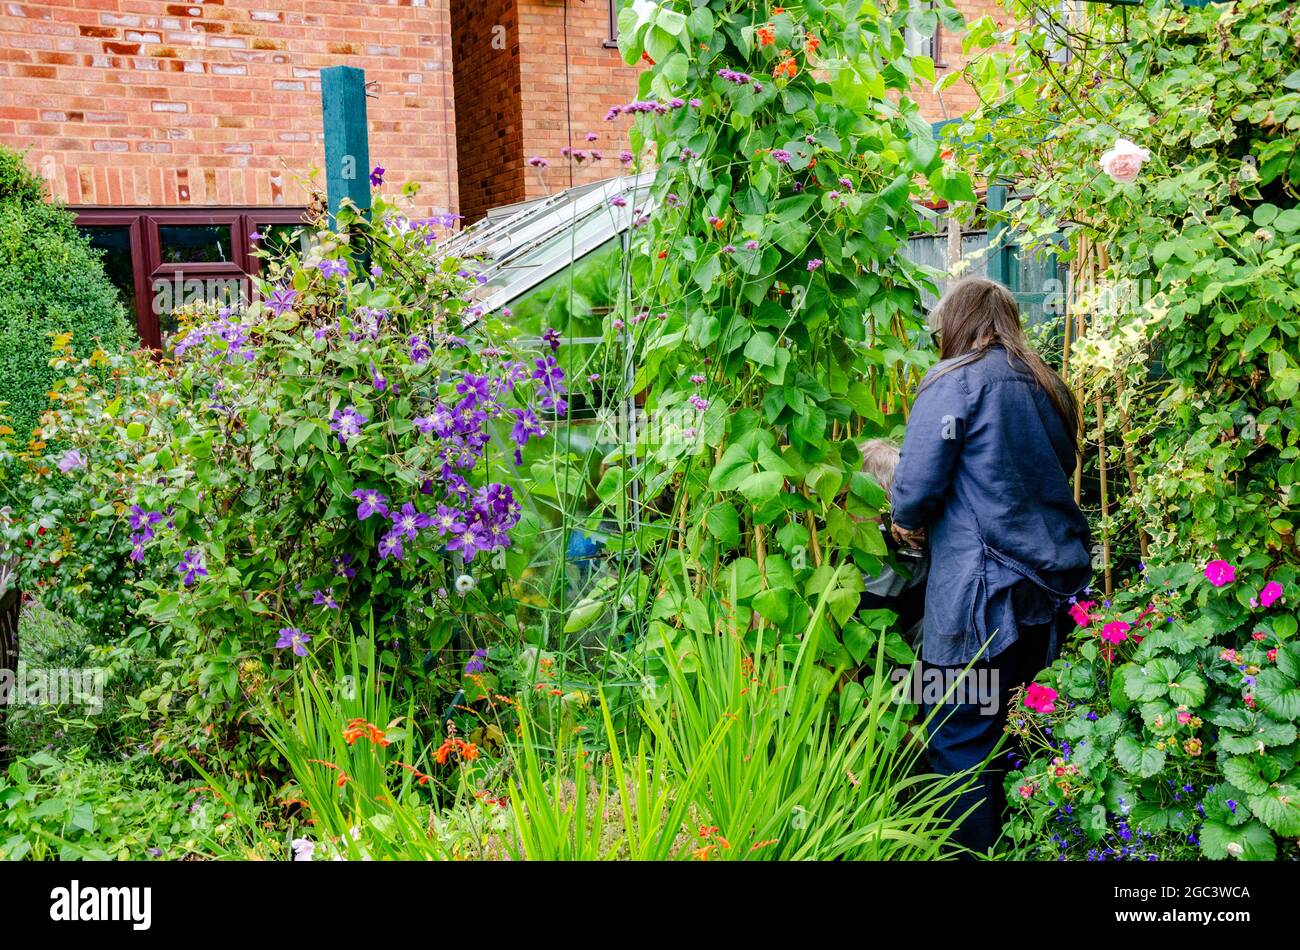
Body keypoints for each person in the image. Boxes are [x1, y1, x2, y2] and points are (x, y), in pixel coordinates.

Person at [889, 276, 1091, 856]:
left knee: (956, 733)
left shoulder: (953, 382)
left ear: (955, 323)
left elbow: (914, 493)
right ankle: (1031, 844)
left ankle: (972, 854)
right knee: (1023, 728)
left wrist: (905, 514)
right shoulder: (1049, 385)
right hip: (1046, 595)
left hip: (977, 602)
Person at [856, 439, 927, 645]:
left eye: (847, 498)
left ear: (874, 494)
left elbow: (859, 610)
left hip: (925, 657)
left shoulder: (890, 545)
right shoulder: (901, 534)